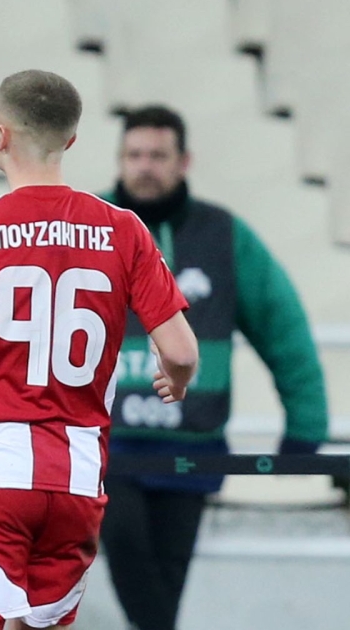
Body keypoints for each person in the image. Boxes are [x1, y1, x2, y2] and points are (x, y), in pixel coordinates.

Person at [0, 70, 200, 630]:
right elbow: (182, 350)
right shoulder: (124, 230)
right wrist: (178, 378)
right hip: (77, 479)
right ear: (70, 139)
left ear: (0, 135)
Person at [98, 105, 329, 630]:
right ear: (120, 160)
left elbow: (282, 327)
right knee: (127, 547)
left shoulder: (224, 235)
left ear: (184, 161)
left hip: (194, 446)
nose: (145, 166)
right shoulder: (89, 226)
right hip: (108, 445)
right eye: (135, 155)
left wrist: (306, 424)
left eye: (158, 155)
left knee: (165, 583)